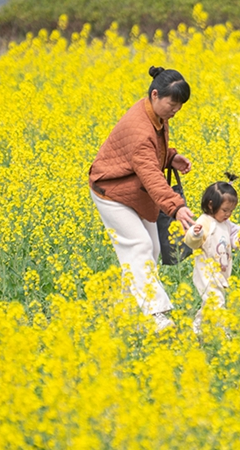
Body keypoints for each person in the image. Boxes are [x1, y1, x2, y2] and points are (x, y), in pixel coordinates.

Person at [89, 66, 196, 332]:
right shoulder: (140, 129)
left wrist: (170, 157)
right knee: (138, 247)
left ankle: (124, 315)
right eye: (173, 104)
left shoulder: (154, 113)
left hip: (133, 188)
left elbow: (151, 155)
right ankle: (155, 313)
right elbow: (149, 173)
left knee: (152, 249)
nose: (176, 110)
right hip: (112, 191)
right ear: (155, 95)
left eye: (180, 105)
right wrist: (176, 207)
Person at [183, 173, 240, 332]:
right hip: (207, 272)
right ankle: (223, 334)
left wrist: (239, 240)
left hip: (221, 272)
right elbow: (192, 243)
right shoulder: (204, 221)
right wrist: (195, 234)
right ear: (211, 205)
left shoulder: (226, 223)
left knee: (209, 303)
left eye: (231, 211)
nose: (228, 214)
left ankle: (197, 328)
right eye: (225, 210)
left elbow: (232, 235)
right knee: (217, 302)